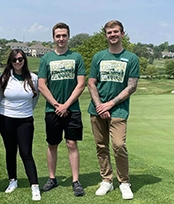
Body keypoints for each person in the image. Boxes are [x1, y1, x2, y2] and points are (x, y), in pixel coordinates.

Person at [87, 20, 140, 200]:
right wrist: (100, 105)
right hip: (97, 110)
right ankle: (107, 180)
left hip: (119, 110)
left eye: (116, 32)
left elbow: (131, 86)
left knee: (118, 145)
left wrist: (109, 104)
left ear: (122, 34)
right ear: (106, 35)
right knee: (101, 146)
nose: (113, 35)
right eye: (109, 32)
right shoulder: (98, 57)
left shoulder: (131, 58)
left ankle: (124, 182)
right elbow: (91, 82)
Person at [38, 22, 86, 197]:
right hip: (52, 110)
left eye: (64, 35)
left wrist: (66, 105)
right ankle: (52, 178)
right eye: (58, 36)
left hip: (72, 109)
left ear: (68, 36)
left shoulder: (76, 57)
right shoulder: (46, 59)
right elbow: (42, 85)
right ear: (53, 37)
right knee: (52, 144)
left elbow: (81, 84)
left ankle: (75, 180)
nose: (61, 38)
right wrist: (57, 105)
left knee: (72, 143)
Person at [0, 49, 41, 201]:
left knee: (26, 152)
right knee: (10, 150)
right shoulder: (5, 78)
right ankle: (12, 181)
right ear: (10, 61)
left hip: (25, 120)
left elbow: (35, 98)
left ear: (24, 60)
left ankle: (34, 186)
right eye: (14, 60)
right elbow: (0, 97)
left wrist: (25, 110)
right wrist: (8, 111)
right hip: (6, 118)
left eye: (20, 59)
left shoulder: (33, 78)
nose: (17, 62)